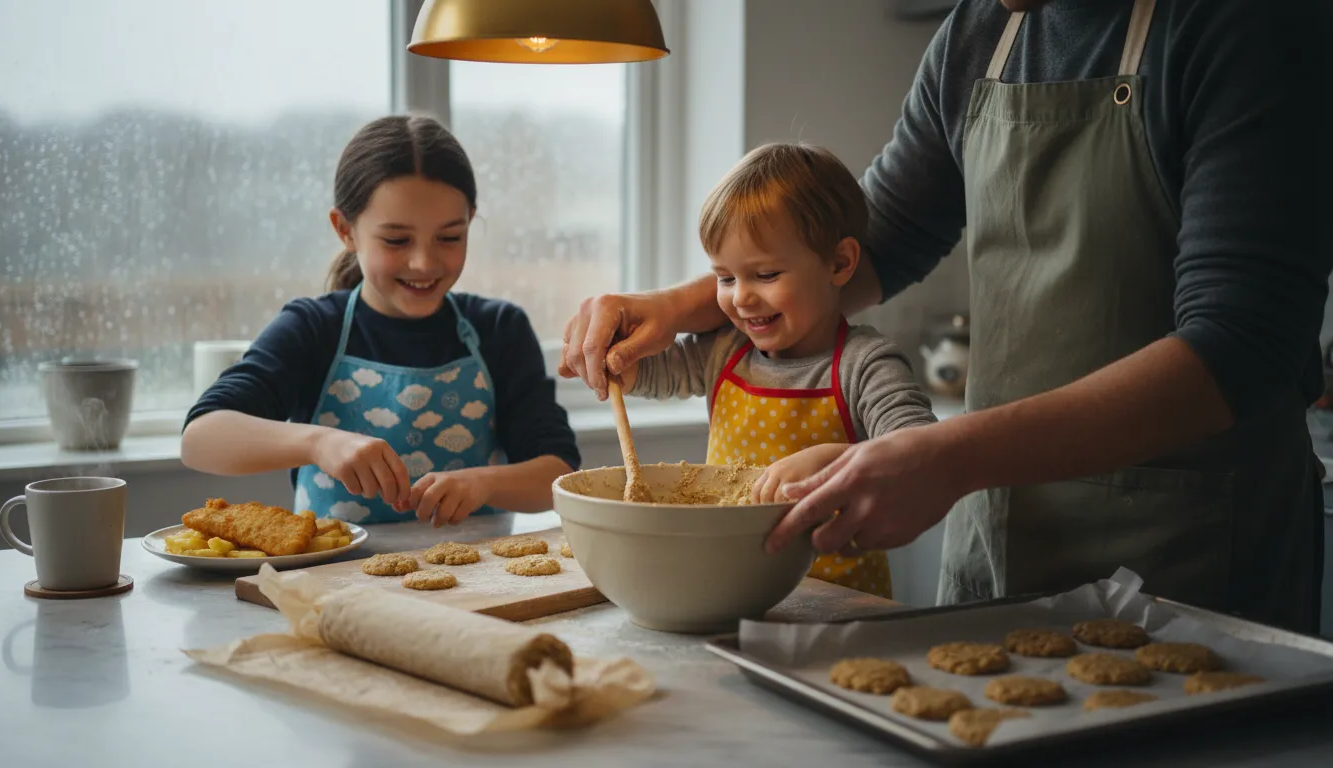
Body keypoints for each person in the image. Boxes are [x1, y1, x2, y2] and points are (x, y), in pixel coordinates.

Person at [560, 0, 1328, 632]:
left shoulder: (1250, 25)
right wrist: (679, 304)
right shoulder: (981, 34)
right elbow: (874, 243)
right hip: (998, 537)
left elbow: (1241, 345)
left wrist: (948, 457)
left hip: (1187, 560)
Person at [182, 115, 578, 527]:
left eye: (449, 237)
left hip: (482, 583)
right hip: (330, 585)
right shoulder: (313, 328)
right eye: (396, 240)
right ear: (345, 230)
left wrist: (484, 484)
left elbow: (559, 473)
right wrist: (319, 443)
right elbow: (200, 438)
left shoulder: (500, 330)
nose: (424, 263)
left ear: (470, 221)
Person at [618, 143, 935, 598]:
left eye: (765, 275)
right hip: (729, 592)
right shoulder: (725, 349)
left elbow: (917, 449)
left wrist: (833, 461)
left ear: (840, 263)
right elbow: (652, 373)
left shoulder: (864, 365)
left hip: (839, 605)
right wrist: (619, 361)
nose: (740, 298)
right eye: (725, 278)